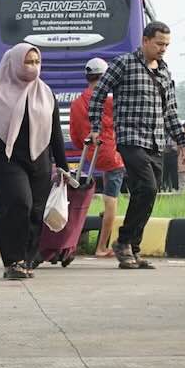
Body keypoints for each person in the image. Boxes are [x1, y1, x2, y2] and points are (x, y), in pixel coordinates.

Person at [88, 22, 185, 270]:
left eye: (166, 45)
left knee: (147, 193)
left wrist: (181, 140)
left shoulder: (165, 73)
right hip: (131, 139)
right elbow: (99, 92)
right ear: (145, 41)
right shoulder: (125, 63)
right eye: (159, 44)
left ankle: (132, 247)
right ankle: (123, 242)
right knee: (148, 185)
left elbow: (170, 111)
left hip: (156, 141)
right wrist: (95, 126)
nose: (163, 49)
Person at [0, 44, 69, 280]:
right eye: (27, 62)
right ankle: (13, 261)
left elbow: (55, 132)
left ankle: (28, 259)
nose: (33, 67)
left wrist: (63, 165)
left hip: (39, 160)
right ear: (14, 64)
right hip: (6, 159)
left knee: (36, 211)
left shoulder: (46, 93)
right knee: (19, 203)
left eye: (36, 62)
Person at [69, 57, 126, 258]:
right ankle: (102, 246)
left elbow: (76, 138)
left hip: (91, 156)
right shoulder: (110, 102)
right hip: (113, 156)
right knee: (111, 201)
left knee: (82, 197)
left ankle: (70, 241)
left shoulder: (76, 104)